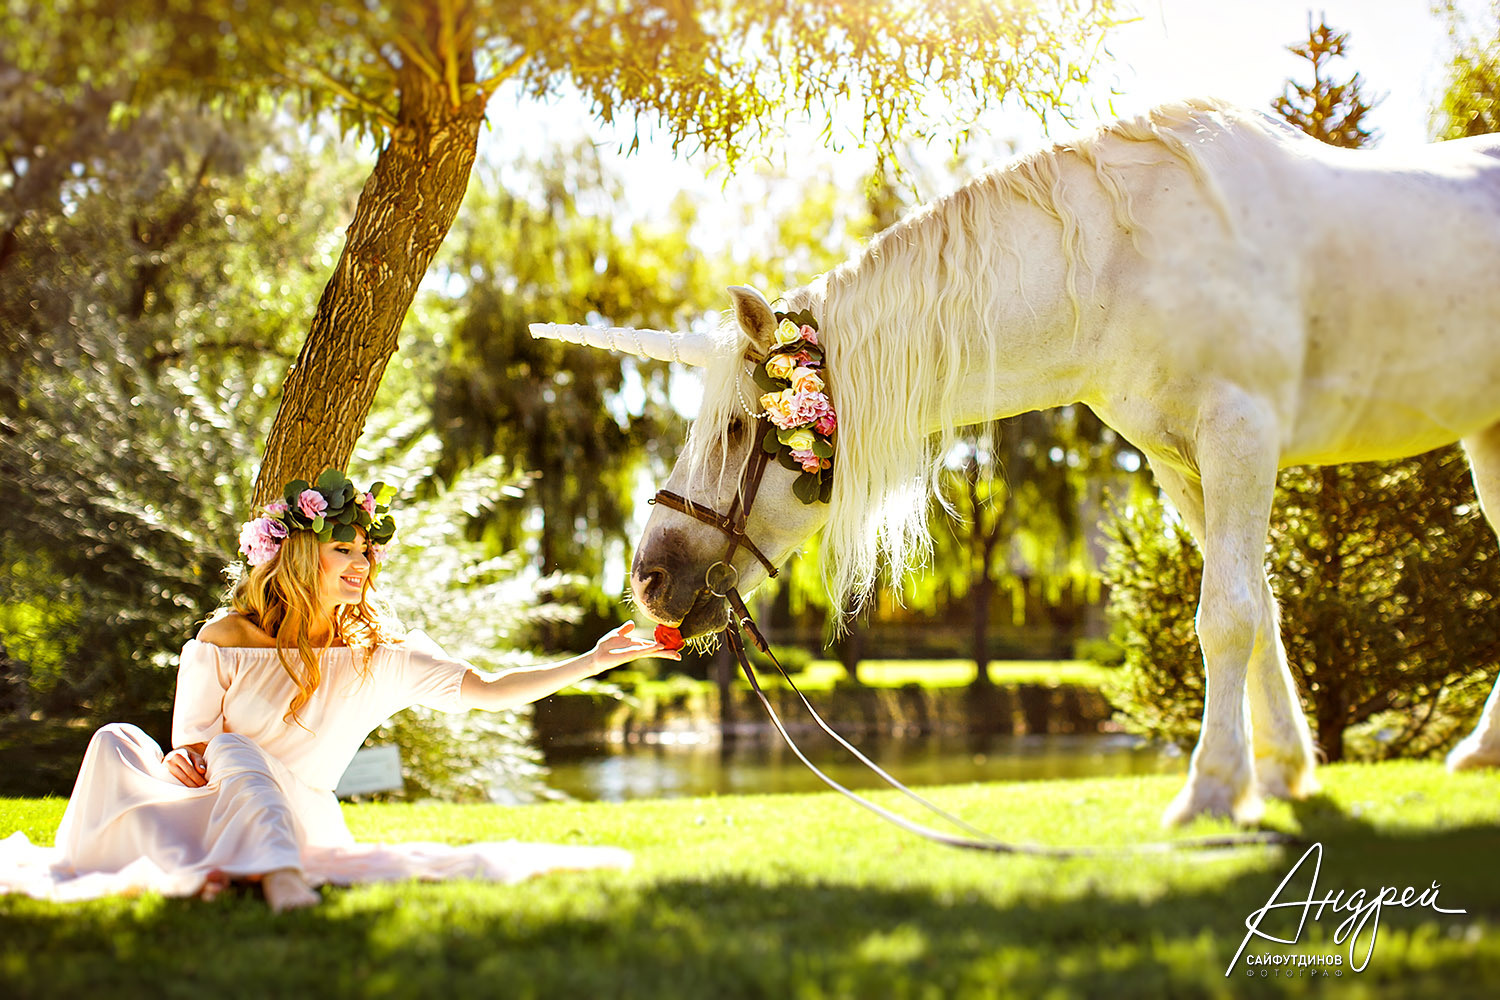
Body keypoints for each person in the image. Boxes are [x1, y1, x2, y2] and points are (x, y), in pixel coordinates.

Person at [0, 471, 677, 910]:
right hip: (209, 804)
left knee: (239, 752)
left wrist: (592, 659)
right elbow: (193, 742)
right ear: (299, 555)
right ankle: (235, 866)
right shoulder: (228, 636)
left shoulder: (381, 654)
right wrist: (181, 758)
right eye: (343, 552)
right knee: (119, 739)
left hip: (297, 819)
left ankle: (280, 878)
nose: (360, 566)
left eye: (364, 554)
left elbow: (493, 690)